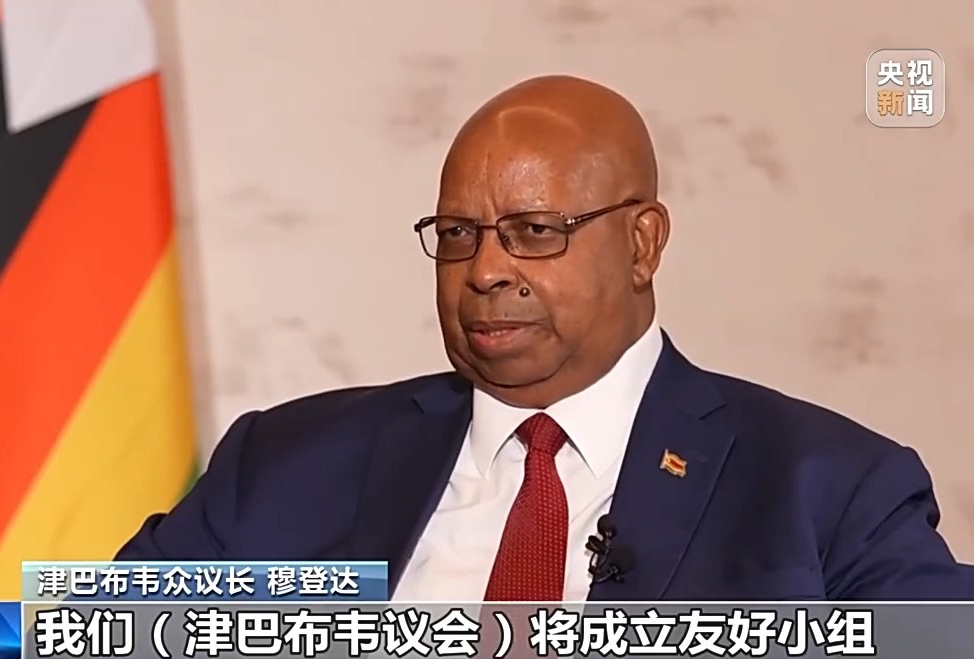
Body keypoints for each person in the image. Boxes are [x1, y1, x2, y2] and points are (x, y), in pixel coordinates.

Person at [118, 75, 973, 600]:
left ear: (642, 243)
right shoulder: (282, 466)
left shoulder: (828, 488)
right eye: (459, 234)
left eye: (535, 231)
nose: (486, 269)